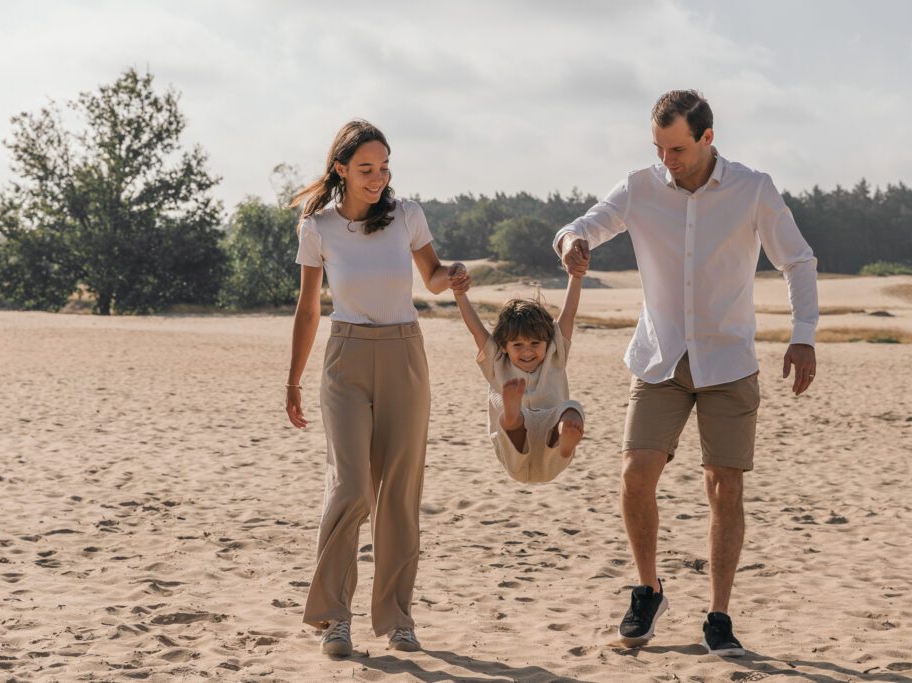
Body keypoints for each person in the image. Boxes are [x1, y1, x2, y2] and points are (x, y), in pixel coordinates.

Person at [554, 91, 819, 656]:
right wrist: (572, 243)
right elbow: (585, 225)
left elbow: (797, 259)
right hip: (660, 357)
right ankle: (647, 590)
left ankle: (718, 615)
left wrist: (803, 335)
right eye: (658, 147)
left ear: (707, 137)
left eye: (676, 148)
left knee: (724, 488)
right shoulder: (641, 186)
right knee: (634, 475)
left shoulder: (753, 188)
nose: (666, 159)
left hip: (728, 360)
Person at [285, 119, 469, 657]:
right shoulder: (317, 226)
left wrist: (452, 274)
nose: (378, 177)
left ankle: (397, 619)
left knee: (400, 493)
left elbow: (431, 276)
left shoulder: (407, 216)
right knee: (351, 487)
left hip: (405, 354)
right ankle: (334, 618)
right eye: (366, 168)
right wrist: (293, 377)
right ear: (340, 169)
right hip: (345, 359)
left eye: (384, 167)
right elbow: (307, 306)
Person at [452, 270, 586, 484]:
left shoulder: (556, 356)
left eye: (535, 343)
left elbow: (568, 314)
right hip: (514, 452)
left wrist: (576, 276)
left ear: (547, 342)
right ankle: (513, 416)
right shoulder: (496, 363)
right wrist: (459, 294)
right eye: (518, 345)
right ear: (504, 346)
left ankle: (564, 439)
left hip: (552, 457)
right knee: (511, 417)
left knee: (571, 409)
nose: (527, 352)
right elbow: (476, 331)